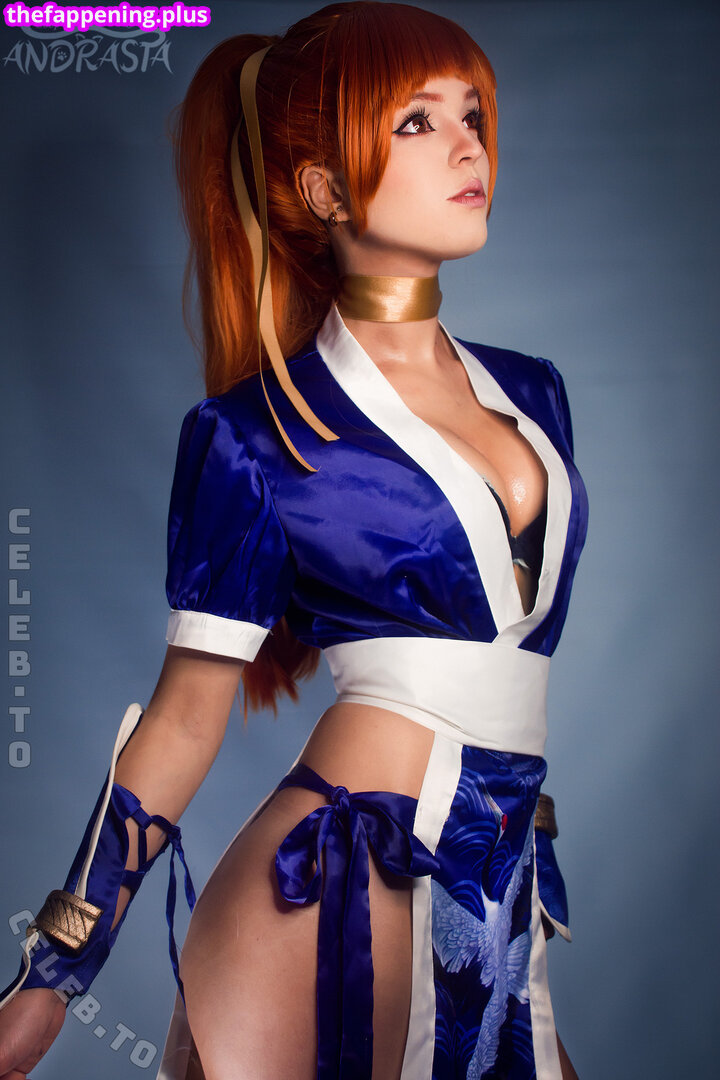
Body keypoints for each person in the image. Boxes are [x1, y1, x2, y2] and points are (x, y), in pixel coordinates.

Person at [0, 3, 589, 1078]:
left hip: (500, 881)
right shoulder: (251, 437)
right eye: (417, 122)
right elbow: (184, 723)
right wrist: (55, 966)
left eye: (472, 115)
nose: (469, 146)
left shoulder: (535, 393)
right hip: (338, 887)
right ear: (323, 190)